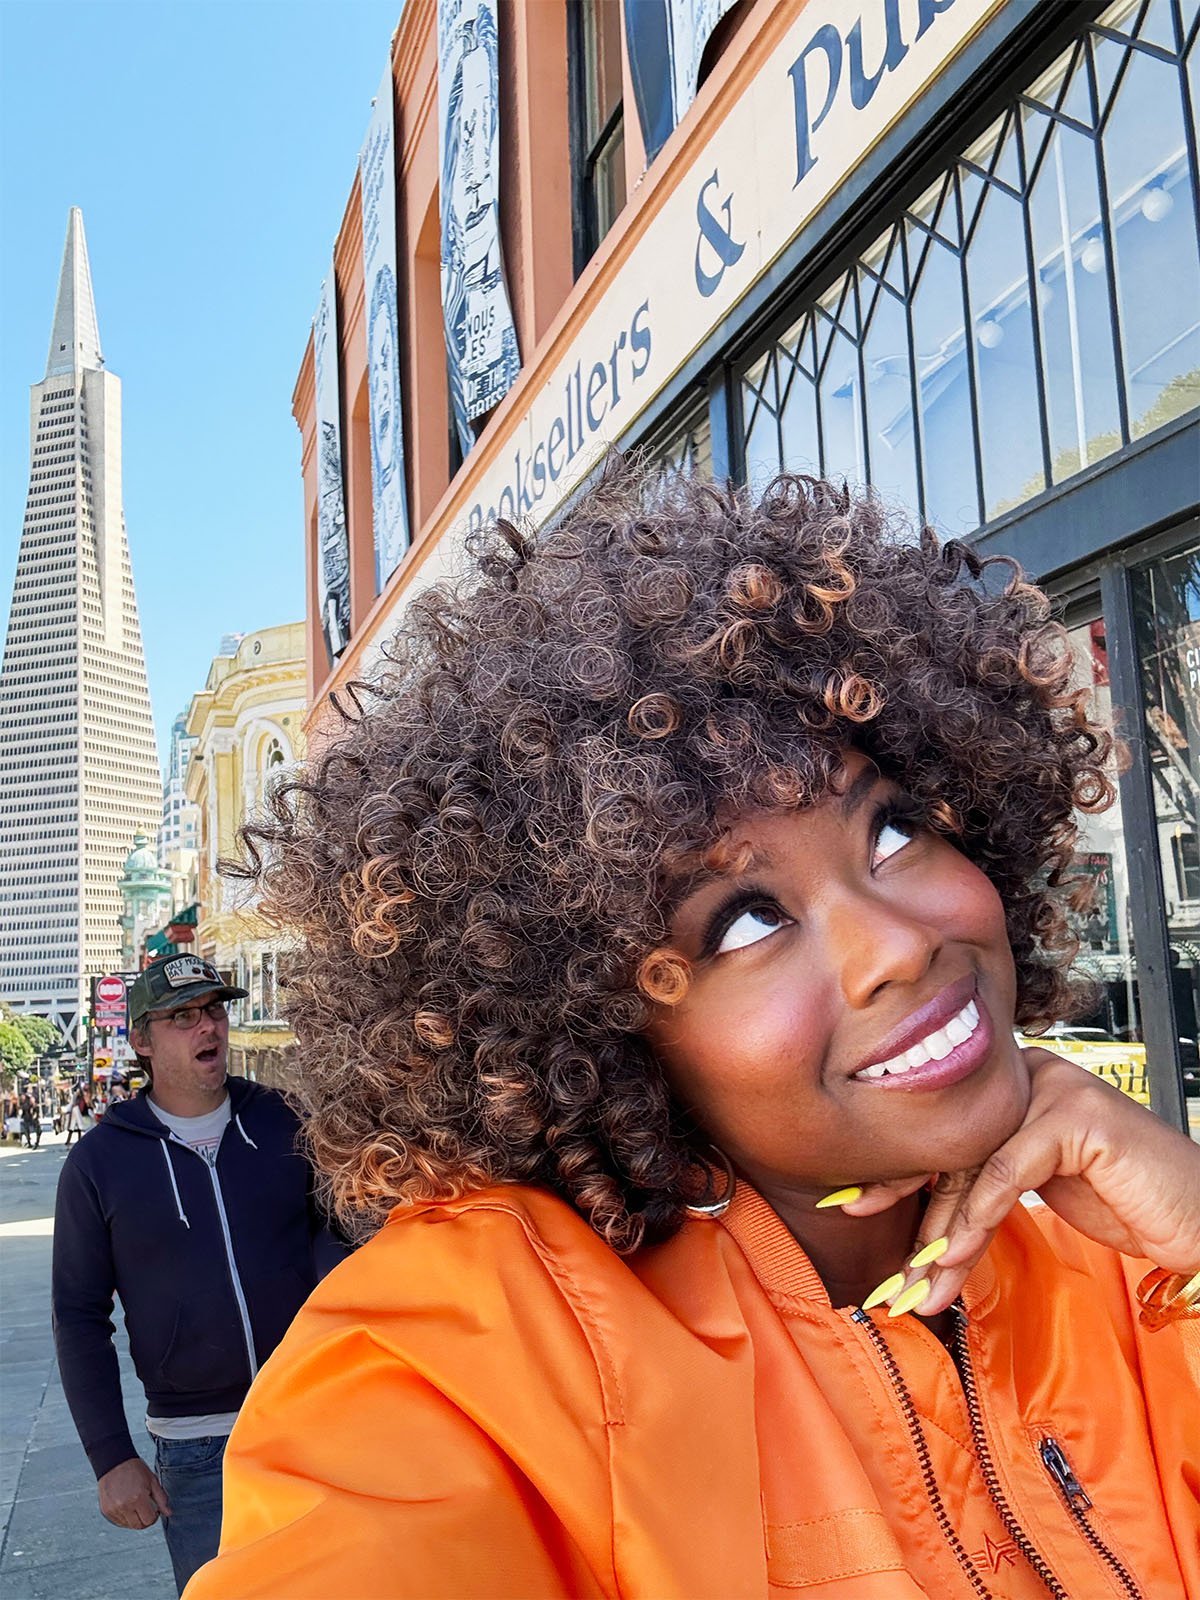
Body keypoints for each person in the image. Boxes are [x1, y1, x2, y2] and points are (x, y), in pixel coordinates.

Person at [186, 468, 1199, 1600]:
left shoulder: (1124, 1250)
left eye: (895, 825)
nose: (898, 947)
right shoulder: (476, 1356)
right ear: (603, 1028)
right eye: (744, 920)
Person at [52, 953, 346, 1597]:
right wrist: (110, 1456)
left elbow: (340, 1232)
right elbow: (78, 1316)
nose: (206, 1027)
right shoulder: (99, 1163)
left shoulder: (285, 1120)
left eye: (213, 1010)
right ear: (141, 1040)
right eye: (181, 1016)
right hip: (197, 1448)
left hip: (315, 1417)